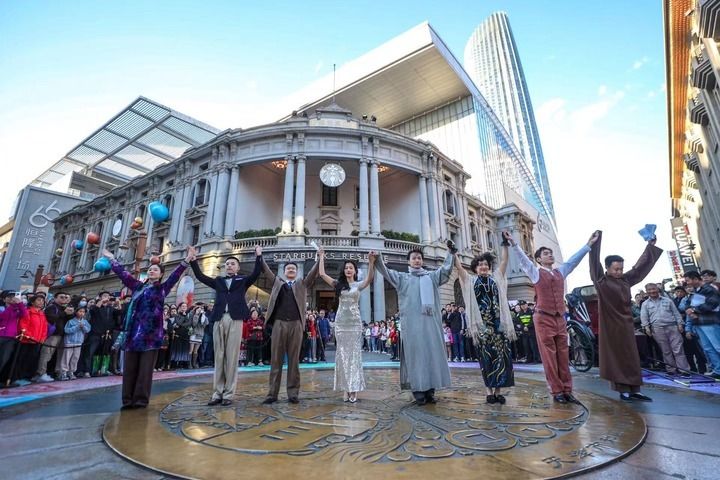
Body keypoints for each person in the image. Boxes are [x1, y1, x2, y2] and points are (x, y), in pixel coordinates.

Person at [507, 230, 599, 404]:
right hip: (543, 318)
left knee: (563, 354)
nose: (550, 255)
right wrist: (513, 243)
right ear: (539, 259)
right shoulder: (535, 272)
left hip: (559, 318)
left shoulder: (559, 272)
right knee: (549, 356)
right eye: (546, 254)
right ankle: (557, 391)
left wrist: (588, 245)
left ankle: (567, 390)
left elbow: (573, 261)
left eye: (550, 253)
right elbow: (523, 259)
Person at [102, 247, 192, 409]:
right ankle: (127, 400)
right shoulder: (137, 287)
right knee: (129, 370)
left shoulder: (162, 288)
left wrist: (187, 260)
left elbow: (175, 275)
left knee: (145, 371)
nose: (151, 271)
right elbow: (123, 274)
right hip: (132, 335)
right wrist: (111, 259)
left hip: (151, 336)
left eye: (155, 269)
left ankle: (140, 400)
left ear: (161, 274)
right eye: (150, 269)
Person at [374, 246, 454, 405]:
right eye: (414, 258)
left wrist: (451, 254)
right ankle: (418, 391)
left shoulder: (432, 277)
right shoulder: (402, 278)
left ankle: (430, 391)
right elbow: (386, 272)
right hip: (412, 327)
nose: (417, 260)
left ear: (422, 260)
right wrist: (377, 258)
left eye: (419, 258)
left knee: (431, 356)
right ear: (408, 262)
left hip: (430, 326)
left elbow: (445, 270)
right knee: (416, 357)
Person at [589, 232, 663, 401]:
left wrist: (650, 246)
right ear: (607, 268)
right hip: (611, 327)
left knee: (632, 357)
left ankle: (635, 389)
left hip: (627, 325)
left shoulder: (625, 280)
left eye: (621, 269)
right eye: (616, 269)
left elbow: (640, 268)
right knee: (617, 358)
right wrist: (594, 244)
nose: (619, 272)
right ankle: (623, 391)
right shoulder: (601, 280)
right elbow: (594, 263)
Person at [189, 245, 263, 407]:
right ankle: (217, 393)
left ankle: (229, 393)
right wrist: (193, 261)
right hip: (219, 318)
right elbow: (201, 277)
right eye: (227, 264)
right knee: (219, 356)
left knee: (232, 356)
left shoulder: (242, 280)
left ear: (238, 267)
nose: (229, 266)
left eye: (232, 264)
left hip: (235, 319)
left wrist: (258, 256)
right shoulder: (218, 281)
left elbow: (256, 273)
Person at [456, 245, 516, 404]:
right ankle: (489, 391)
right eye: (480, 264)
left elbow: (504, 261)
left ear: (489, 267)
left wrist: (504, 245)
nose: (483, 266)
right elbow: (459, 268)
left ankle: (498, 392)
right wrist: (453, 253)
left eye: (485, 264)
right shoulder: (470, 280)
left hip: (499, 325)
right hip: (482, 326)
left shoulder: (496, 278)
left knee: (502, 358)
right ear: (475, 268)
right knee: (486, 358)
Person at [318, 250, 376, 402]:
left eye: (351, 267)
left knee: (354, 355)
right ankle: (345, 388)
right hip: (341, 323)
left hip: (355, 323)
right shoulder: (339, 285)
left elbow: (370, 278)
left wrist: (371, 262)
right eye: (346, 268)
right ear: (344, 271)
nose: (348, 270)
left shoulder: (358, 285)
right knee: (342, 355)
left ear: (355, 271)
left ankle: (354, 388)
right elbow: (322, 274)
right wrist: (321, 257)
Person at [261, 254, 319, 404]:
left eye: (293, 268)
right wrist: (260, 256)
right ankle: (272, 394)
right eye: (288, 268)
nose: (291, 270)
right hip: (279, 324)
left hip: (296, 324)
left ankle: (293, 393)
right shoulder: (277, 282)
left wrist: (319, 259)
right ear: (284, 272)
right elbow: (267, 272)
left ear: (297, 271)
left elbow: (313, 274)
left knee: (294, 361)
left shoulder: (302, 284)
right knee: (276, 360)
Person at [640, 283, 691, 376]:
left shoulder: (668, 300)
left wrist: (680, 324)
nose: (652, 291)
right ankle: (671, 369)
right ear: (647, 292)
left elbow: (676, 313)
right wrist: (646, 328)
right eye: (649, 290)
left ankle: (684, 370)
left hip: (672, 327)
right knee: (665, 350)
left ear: (657, 289)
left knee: (678, 349)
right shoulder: (645, 304)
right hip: (657, 329)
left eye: (653, 289)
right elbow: (644, 317)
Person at [683, 270, 720, 379]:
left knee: (717, 346)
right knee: (708, 348)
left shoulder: (709, 289)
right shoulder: (695, 291)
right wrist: (690, 311)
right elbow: (687, 304)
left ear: (695, 279)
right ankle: (717, 370)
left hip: (710, 322)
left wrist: (694, 310)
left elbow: (713, 303)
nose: (687, 283)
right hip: (698, 323)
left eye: (688, 280)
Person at [33, 292, 73, 383]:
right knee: (46, 355)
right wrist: (64, 313)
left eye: (65, 297)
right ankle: (40, 373)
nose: (64, 299)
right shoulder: (51, 307)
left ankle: (51, 373)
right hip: (52, 335)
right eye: (61, 297)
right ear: (55, 298)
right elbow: (51, 318)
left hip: (61, 335)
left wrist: (70, 314)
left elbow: (68, 321)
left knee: (55, 357)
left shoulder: (64, 308)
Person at [14, 295, 48, 385]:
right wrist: (30, 336)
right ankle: (19, 377)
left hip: (37, 341)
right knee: (23, 360)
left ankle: (28, 376)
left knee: (32, 360)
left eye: (42, 301)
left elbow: (45, 327)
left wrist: (43, 338)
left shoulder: (42, 313)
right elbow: (23, 326)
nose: (41, 302)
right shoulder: (28, 312)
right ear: (32, 302)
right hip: (27, 341)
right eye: (39, 300)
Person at [0, 291, 27, 385]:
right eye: (9, 297)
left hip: (10, 338)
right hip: (1, 335)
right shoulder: (1, 308)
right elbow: (3, 316)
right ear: (4, 299)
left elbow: (25, 315)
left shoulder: (16, 309)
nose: (12, 298)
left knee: (4, 359)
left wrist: (20, 304)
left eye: (13, 296)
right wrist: (12, 306)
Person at [60, 306, 91, 380]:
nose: (82, 313)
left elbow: (88, 330)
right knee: (66, 357)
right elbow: (66, 330)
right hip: (69, 342)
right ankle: (63, 372)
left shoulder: (85, 322)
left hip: (79, 342)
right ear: (76, 312)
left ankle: (71, 372)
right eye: (80, 311)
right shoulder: (70, 321)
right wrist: (77, 327)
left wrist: (83, 327)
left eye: (83, 312)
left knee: (75, 358)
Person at [189, 304, 208, 369]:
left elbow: (205, 324)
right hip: (193, 334)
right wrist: (196, 315)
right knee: (191, 350)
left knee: (196, 351)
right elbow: (194, 324)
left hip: (200, 334)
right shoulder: (192, 315)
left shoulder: (203, 316)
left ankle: (194, 363)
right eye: (199, 309)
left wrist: (203, 315)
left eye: (202, 309)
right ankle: (189, 364)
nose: (200, 310)